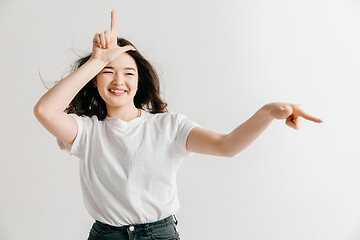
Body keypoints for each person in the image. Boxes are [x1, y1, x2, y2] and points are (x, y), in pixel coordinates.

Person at [33, 9, 323, 240]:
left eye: (128, 73)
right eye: (108, 72)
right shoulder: (86, 132)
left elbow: (227, 146)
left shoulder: (168, 127)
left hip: (160, 235)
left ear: (139, 81)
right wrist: (96, 60)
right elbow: (45, 111)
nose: (119, 81)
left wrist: (268, 112)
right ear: (95, 81)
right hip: (106, 236)